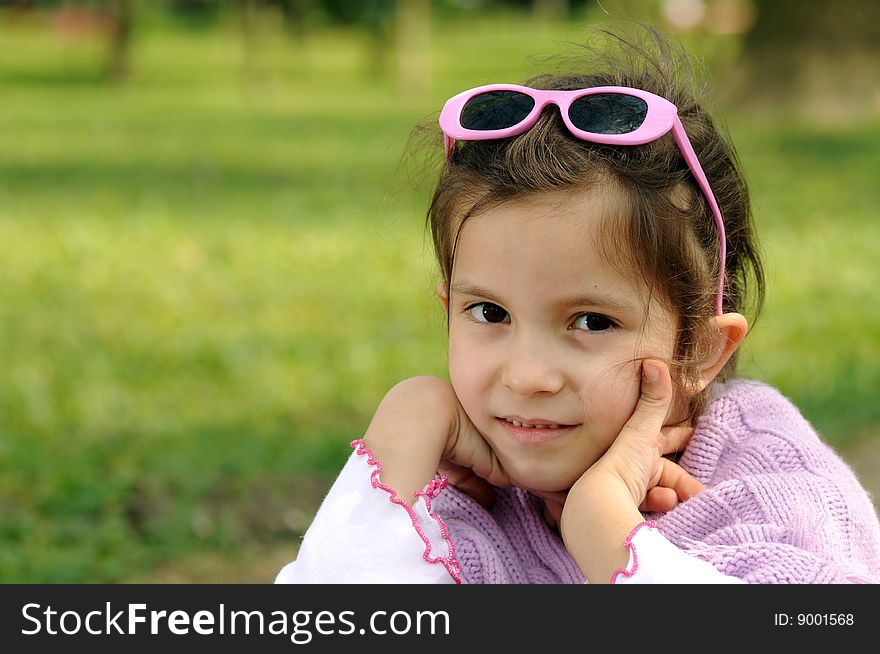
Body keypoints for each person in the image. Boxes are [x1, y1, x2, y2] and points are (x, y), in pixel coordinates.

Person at [275, 26, 880, 584]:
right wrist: (402, 434)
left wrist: (604, 530)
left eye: (592, 321)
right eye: (489, 314)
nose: (528, 376)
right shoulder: (452, 486)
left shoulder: (764, 478)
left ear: (698, 348)